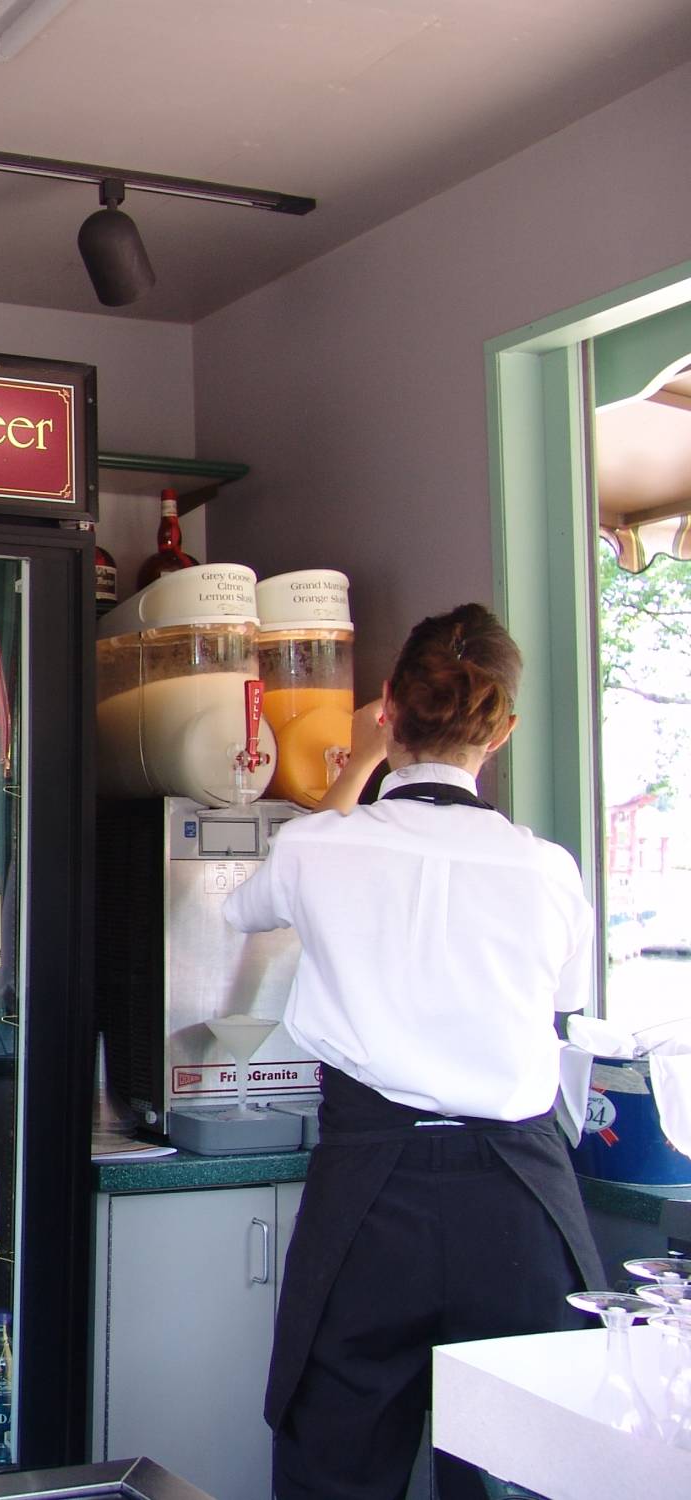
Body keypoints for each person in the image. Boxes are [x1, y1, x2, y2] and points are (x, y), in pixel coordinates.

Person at [224, 602, 604, 1500]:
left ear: (387, 705)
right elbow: (566, 1004)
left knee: (336, 1476)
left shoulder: (320, 847)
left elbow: (239, 910)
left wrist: (358, 759)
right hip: (518, 1199)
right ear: (503, 729)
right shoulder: (547, 868)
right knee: (520, 1477)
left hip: (372, 1194)